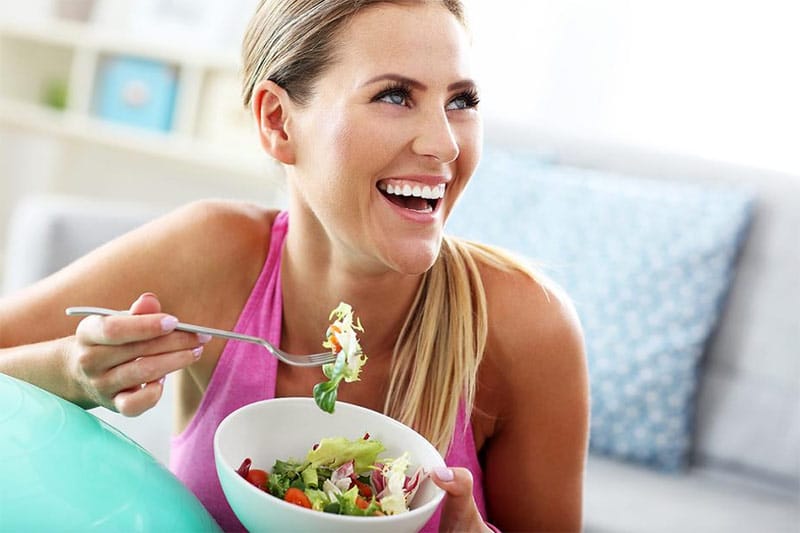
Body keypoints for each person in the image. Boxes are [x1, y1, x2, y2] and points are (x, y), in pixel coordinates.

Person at [0, 0, 589, 531]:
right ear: (278, 122)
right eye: (394, 95)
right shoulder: (215, 253)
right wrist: (71, 374)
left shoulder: (528, 326)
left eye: (460, 102)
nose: (444, 143)